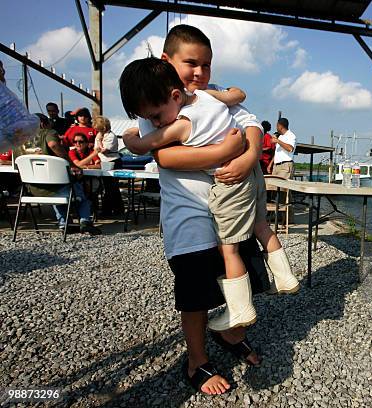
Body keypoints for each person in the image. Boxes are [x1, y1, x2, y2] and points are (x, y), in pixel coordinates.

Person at [121, 24, 296, 396]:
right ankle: (196, 359)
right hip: (190, 214)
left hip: (232, 207)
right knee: (196, 293)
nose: (199, 73)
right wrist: (222, 152)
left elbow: (251, 126)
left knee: (244, 275)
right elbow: (166, 156)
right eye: (190, 64)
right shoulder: (154, 104)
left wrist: (249, 156)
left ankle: (231, 332)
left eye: (206, 64)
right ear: (167, 63)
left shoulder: (213, 97)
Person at [30, 114, 101, 235]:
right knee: (80, 194)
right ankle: (85, 221)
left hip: (32, 186)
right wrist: (70, 164)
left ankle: (64, 223)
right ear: (43, 123)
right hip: (54, 181)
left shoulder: (21, 136)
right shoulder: (48, 132)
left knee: (58, 194)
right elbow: (53, 144)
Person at [92, 116, 124, 215]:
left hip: (112, 161)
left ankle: (112, 209)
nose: (98, 131)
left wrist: (99, 142)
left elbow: (104, 150)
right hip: (103, 162)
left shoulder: (111, 136)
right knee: (107, 187)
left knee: (112, 187)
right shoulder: (99, 135)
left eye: (99, 129)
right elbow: (95, 149)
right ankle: (112, 209)